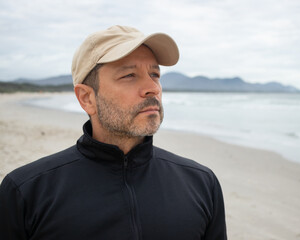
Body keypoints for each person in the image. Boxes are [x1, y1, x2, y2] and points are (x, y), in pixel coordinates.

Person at [0, 25, 227, 240]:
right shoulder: (26, 192)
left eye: (155, 75)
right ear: (87, 98)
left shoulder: (201, 183)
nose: (153, 88)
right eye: (129, 75)